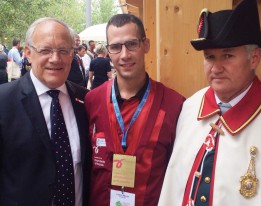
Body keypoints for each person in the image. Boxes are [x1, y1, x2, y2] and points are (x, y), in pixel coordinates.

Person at [158, 0, 261, 205]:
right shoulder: (191, 107)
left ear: (254, 58)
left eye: (227, 56)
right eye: (209, 56)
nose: (216, 67)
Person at [84, 14, 185, 206]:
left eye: (132, 44)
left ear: (145, 45)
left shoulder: (174, 104)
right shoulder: (92, 100)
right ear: (108, 51)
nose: (124, 55)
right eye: (115, 47)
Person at [0, 17, 91, 206]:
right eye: (45, 50)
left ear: (72, 54)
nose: (55, 58)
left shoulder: (85, 100)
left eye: (63, 51)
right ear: (28, 53)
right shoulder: (3, 102)